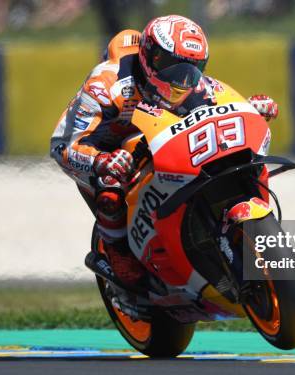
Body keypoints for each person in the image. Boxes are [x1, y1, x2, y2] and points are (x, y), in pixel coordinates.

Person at [50, 14, 278, 285]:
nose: (181, 78)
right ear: (149, 55)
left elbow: (224, 106)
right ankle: (118, 251)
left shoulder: (197, 86)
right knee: (111, 186)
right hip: (108, 149)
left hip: (162, 142)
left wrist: (249, 109)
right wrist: (101, 161)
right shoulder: (106, 85)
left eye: (192, 68)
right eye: (172, 65)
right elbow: (61, 144)